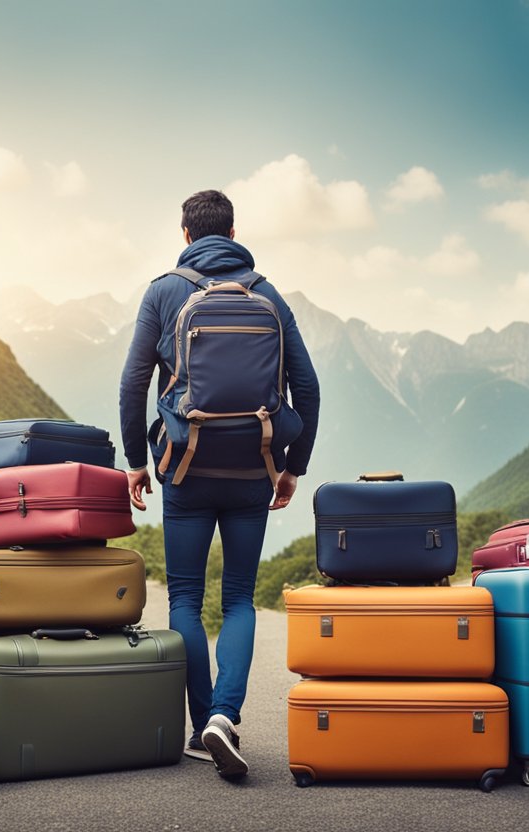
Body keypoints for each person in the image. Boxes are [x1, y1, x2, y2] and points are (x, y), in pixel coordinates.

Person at [118, 189, 320, 779]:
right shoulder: (269, 295)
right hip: (252, 467)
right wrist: (292, 467)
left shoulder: (163, 291)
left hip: (184, 466)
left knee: (185, 596)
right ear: (232, 233)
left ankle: (203, 724)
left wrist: (136, 461)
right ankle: (225, 716)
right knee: (238, 597)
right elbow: (307, 390)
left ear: (186, 234)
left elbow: (133, 385)